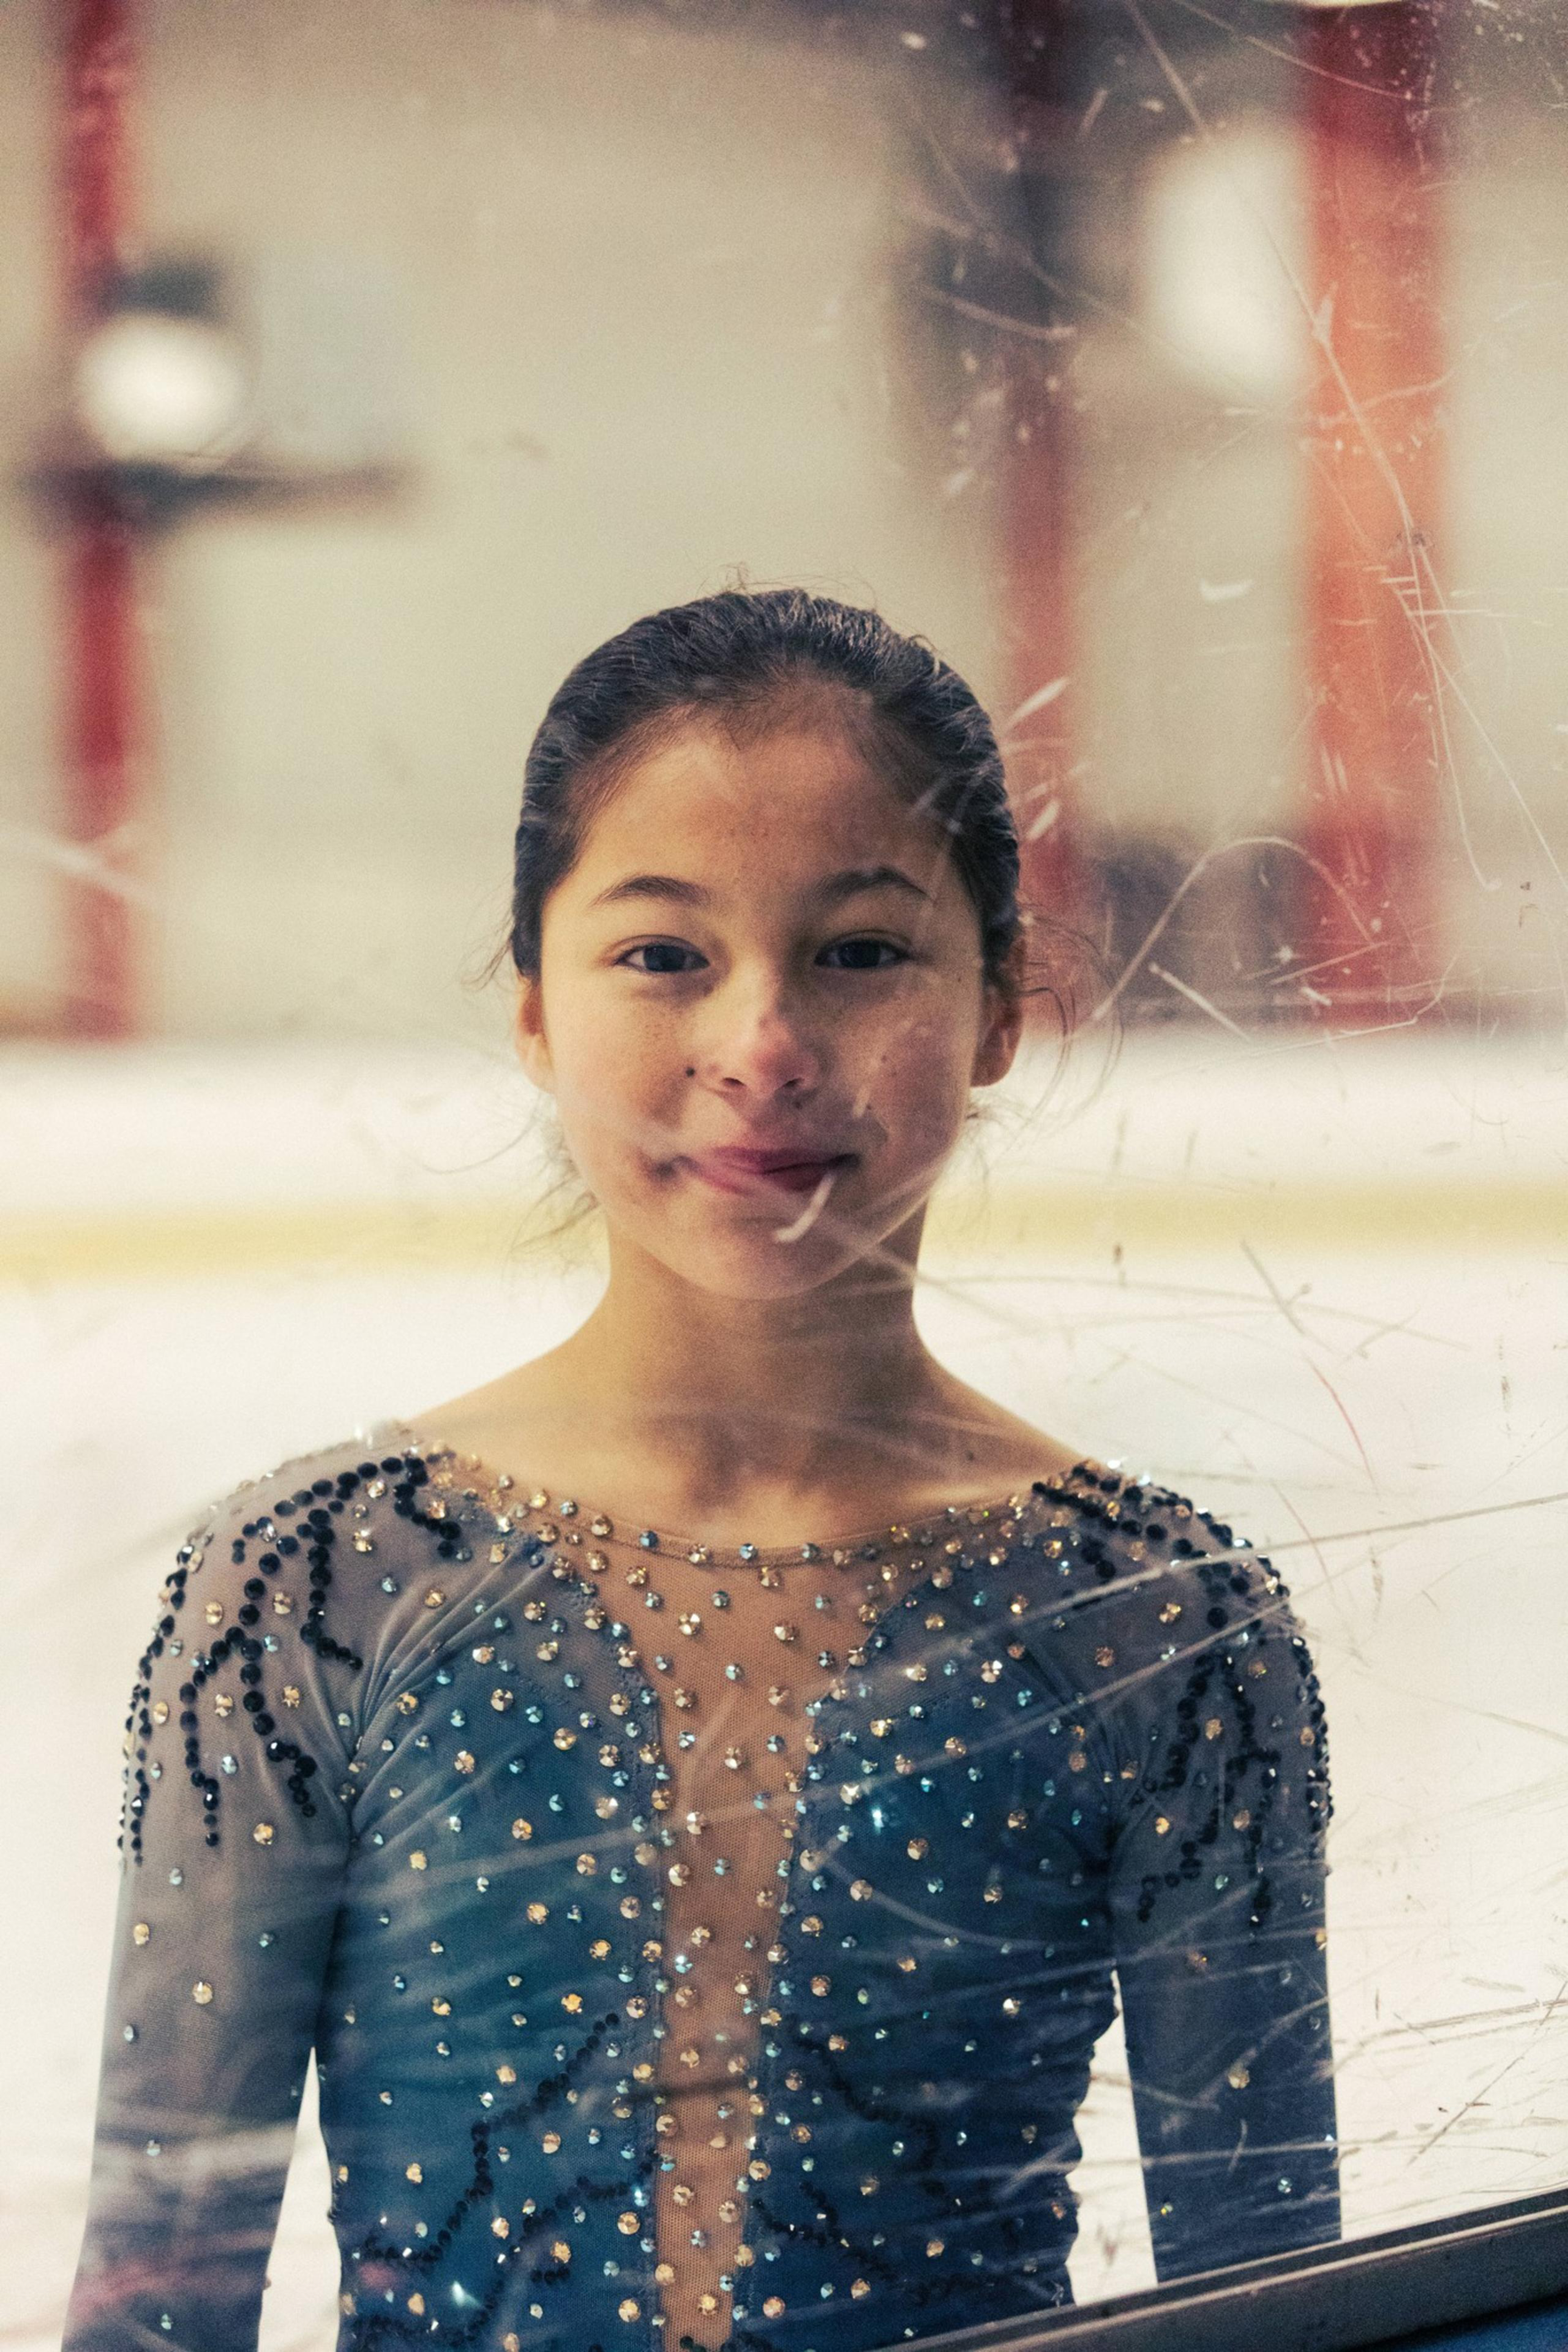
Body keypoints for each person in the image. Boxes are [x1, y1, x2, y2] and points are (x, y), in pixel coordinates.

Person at [65, 590, 1337, 2352]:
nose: (760, 1045)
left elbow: (1280, 2296)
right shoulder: (318, 1590)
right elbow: (154, 2299)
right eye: (663, 954)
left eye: (860, 951)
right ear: (528, 1003)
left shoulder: (1159, 1624)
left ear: (996, 1009)